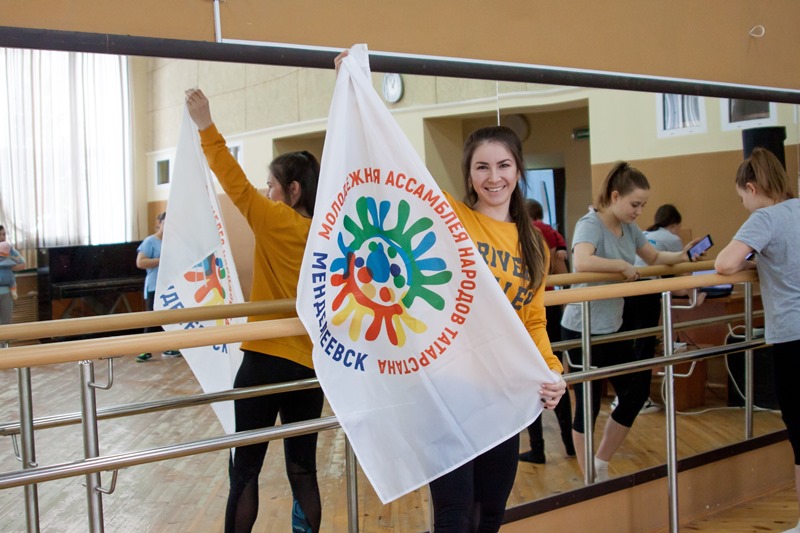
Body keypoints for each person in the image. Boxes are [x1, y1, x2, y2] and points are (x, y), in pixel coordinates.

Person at [185, 88, 324, 533]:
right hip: (308, 366)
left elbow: (234, 182)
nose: (267, 192)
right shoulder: (330, 234)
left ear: (293, 190)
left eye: (273, 185)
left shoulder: (275, 218)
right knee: (303, 470)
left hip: (263, 361)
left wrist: (206, 125)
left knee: (244, 470)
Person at [432, 127, 567, 531]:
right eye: (482, 167)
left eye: (504, 165)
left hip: (501, 391)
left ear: (519, 170)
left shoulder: (534, 243)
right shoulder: (451, 216)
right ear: (468, 173)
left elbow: (533, 320)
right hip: (451, 387)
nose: (494, 177)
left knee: (489, 512)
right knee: (454, 515)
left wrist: (552, 369)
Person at [560, 162, 700, 482]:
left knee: (635, 393)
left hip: (612, 325)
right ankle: (588, 478)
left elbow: (654, 258)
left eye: (643, 206)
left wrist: (683, 256)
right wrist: (620, 266)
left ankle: (600, 461)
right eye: (635, 204)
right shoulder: (590, 223)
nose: (639, 212)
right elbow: (581, 260)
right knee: (588, 404)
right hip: (582, 327)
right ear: (615, 197)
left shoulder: (630, 227)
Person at [715, 148, 800, 533]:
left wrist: (753, 255)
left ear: (751, 188)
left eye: (741, 198)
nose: (744, 205)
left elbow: (724, 263)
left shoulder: (765, 217)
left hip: (793, 336)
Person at [519, 199, 575, 463]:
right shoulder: (550, 232)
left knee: (534, 380)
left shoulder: (528, 231)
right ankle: (570, 443)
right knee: (552, 378)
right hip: (549, 307)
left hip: (531, 310)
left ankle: (538, 447)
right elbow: (560, 259)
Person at [135, 212, 181, 361]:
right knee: (152, 319)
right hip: (154, 286)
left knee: (170, 317)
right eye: (166, 222)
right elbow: (140, 262)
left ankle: (170, 347)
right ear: (159, 223)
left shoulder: (173, 241)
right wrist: (162, 260)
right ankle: (144, 350)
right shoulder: (150, 241)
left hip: (170, 285)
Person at [0, 225, 26, 326]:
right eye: (0, 235)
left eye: (4, 234)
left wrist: (8, 266)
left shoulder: (9, 249)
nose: (2, 237)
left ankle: (5, 338)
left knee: (6, 321)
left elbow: (22, 264)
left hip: (6, 292)